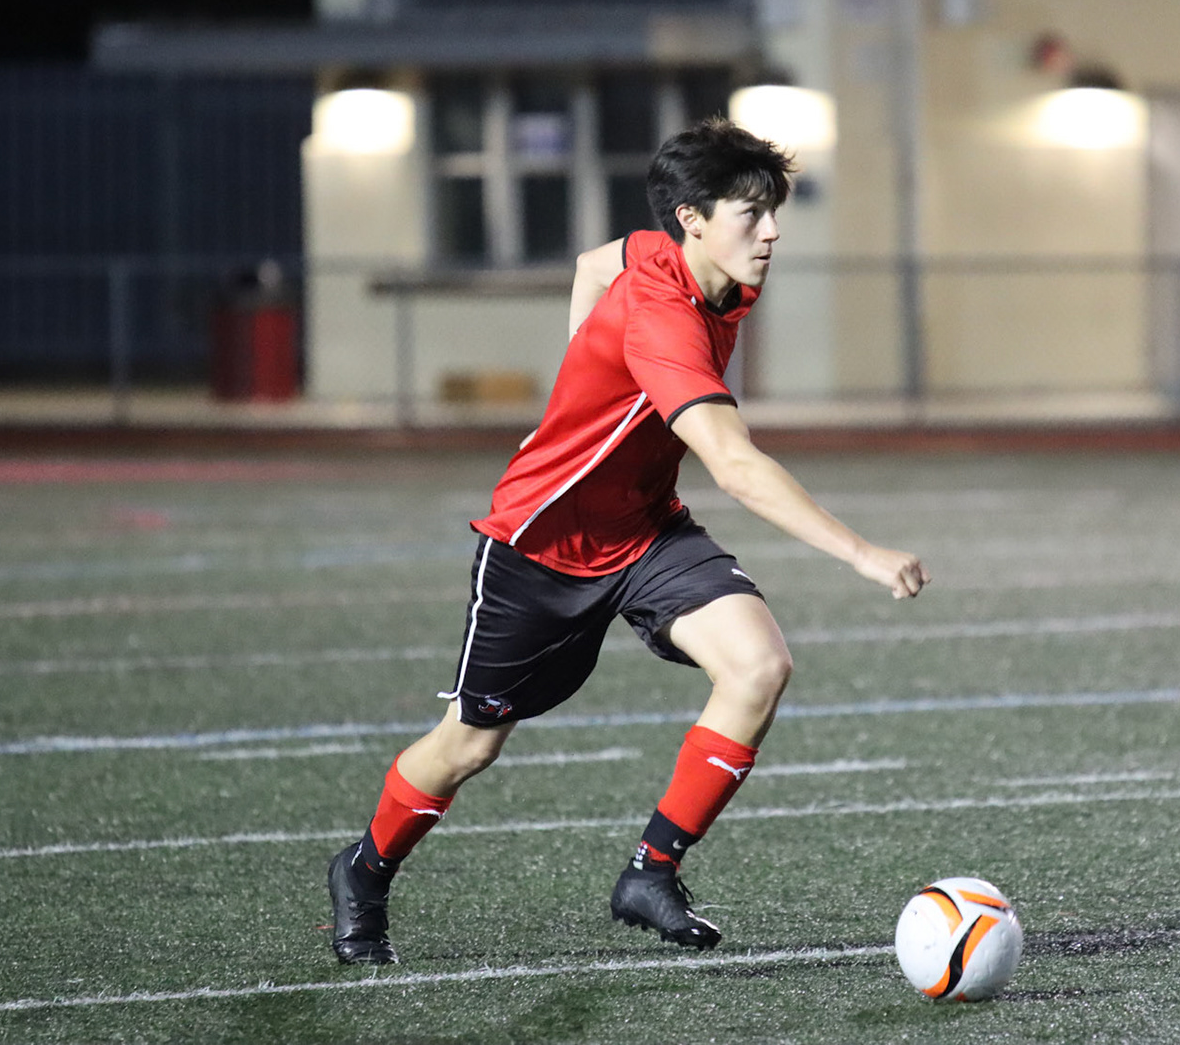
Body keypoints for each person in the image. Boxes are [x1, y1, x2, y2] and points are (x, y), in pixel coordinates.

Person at [328, 117, 931, 964]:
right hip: (542, 547)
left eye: (773, 212)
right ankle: (363, 871)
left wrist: (584, 369)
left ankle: (651, 873)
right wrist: (862, 553)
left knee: (759, 666)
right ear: (694, 220)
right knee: (469, 744)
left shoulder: (680, 259)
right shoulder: (664, 321)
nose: (771, 232)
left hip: (648, 531)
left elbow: (591, 264)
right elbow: (735, 466)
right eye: (750, 215)